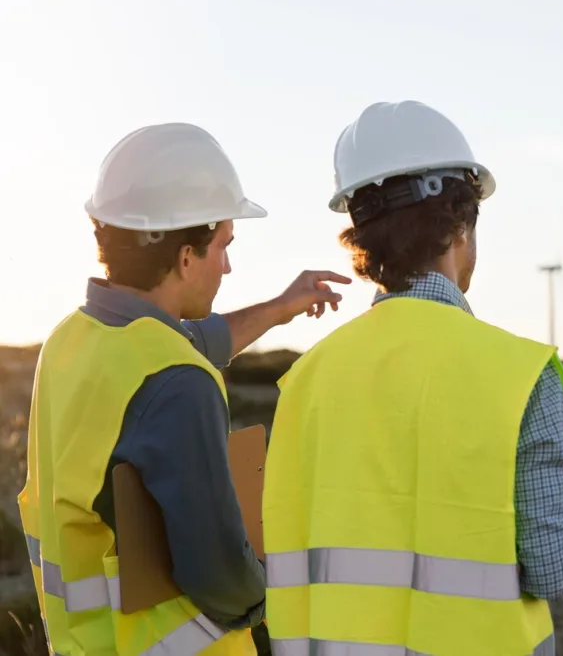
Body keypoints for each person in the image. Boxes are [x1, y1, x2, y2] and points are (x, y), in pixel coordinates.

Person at [262, 101, 563, 656]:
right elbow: (557, 570)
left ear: (362, 240)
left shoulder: (305, 381)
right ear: (460, 225)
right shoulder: (518, 376)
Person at [16, 123, 351, 656]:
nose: (229, 265)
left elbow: (195, 340)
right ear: (186, 256)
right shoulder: (178, 383)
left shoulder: (74, 340)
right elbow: (219, 573)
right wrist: (272, 591)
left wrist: (279, 309)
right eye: (223, 246)